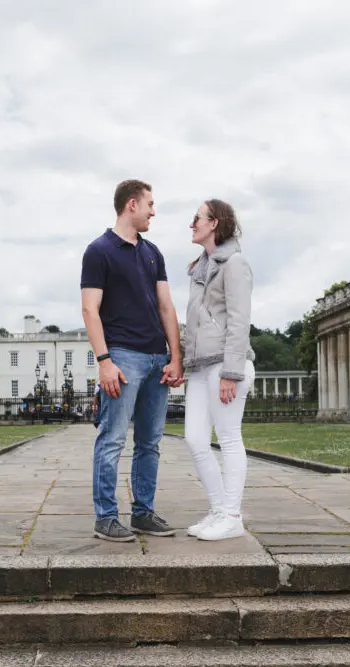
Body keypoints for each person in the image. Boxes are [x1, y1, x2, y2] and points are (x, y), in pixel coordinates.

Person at [80, 179, 185, 542]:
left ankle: (142, 513)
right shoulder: (99, 251)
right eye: (150, 204)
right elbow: (90, 310)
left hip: (157, 358)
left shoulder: (153, 252)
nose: (154, 211)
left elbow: (166, 307)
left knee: (150, 443)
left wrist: (175, 357)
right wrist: (104, 361)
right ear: (131, 205)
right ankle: (106, 517)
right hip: (123, 357)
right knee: (112, 440)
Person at [182, 199, 256, 541]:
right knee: (195, 439)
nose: (192, 224)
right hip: (200, 367)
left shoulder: (234, 263)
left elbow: (240, 321)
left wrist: (231, 371)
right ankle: (218, 509)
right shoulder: (199, 268)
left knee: (228, 437)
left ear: (214, 223)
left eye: (196, 218)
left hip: (226, 365)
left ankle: (232, 515)